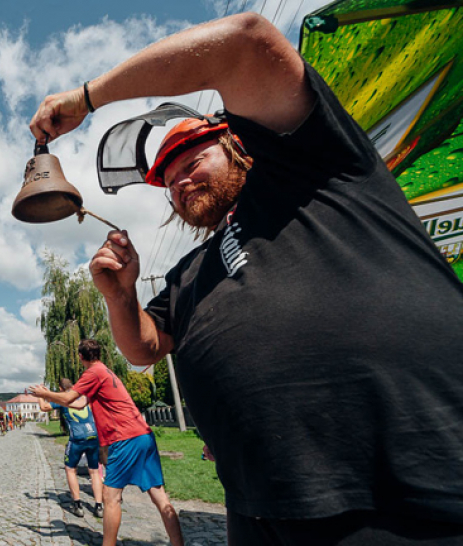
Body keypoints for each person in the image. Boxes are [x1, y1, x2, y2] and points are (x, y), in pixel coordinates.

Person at [29, 12, 463, 545]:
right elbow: (145, 347)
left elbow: (244, 43)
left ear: (237, 148)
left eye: (192, 159)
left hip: (406, 493)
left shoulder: (315, 173)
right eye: (167, 179)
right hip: (258, 505)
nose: (180, 180)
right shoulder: (192, 272)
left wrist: (87, 98)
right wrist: (121, 297)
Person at [30, 340, 183, 546]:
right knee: (159, 496)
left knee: (111, 497)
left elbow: (68, 398)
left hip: (125, 437)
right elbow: (80, 402)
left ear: (80, 357)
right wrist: (56, 398)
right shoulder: (105, 371)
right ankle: (177, 543)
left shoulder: (92, 373)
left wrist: (45, 394)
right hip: (143, 434)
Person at [37, 378, 104, 518]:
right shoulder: (84, 397)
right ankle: (99, 506)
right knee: (94, 471)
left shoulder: (62, 400)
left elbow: (44, 408)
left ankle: (77, 504)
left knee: (70, 469)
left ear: (61, 389)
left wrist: (41, 395)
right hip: (93, 436)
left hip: (77, 439)